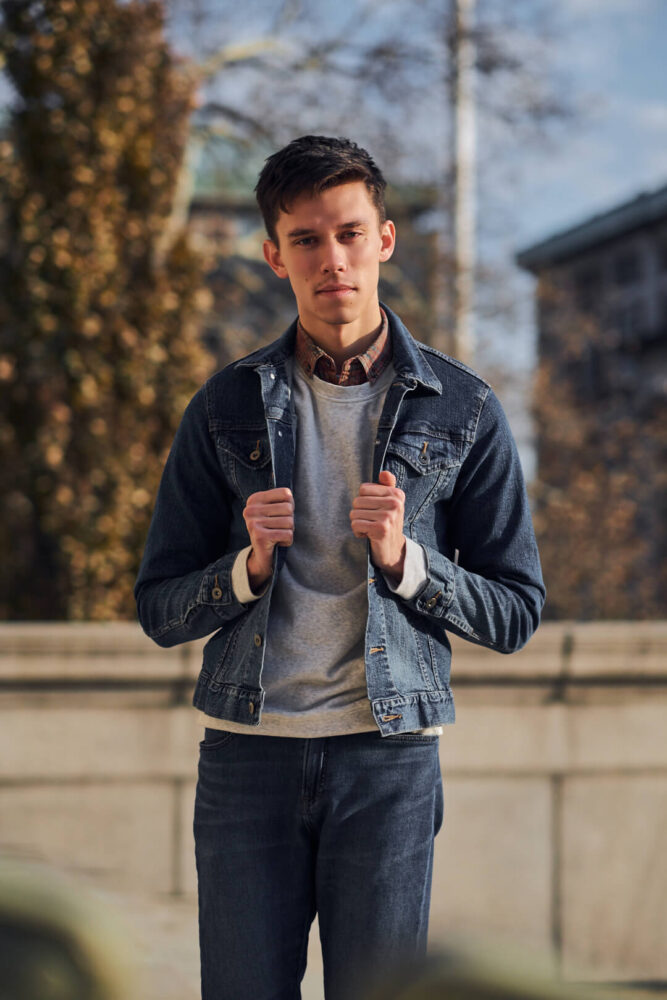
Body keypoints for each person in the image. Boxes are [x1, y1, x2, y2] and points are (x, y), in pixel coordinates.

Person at [134, 135, 545, 1000]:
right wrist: (243, 568)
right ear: (272, 253)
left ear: (385, 239)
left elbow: (515, 611)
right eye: (307, 240)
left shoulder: (464, 407)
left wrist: (407, 563)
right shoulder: (224, 406)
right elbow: (161, 608)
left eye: (350, 234)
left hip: (388, 761)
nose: (332, 260)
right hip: (249, 759)